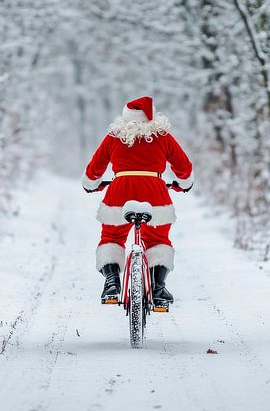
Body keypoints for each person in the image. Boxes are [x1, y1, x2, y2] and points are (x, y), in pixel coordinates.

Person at [82, 96, 193, 306]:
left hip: (119, 194)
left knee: (111, 237)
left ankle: (112, 282)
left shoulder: (114, 136)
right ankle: (158, 287)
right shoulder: (162, 136)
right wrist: (184, 183)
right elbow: (183, 167)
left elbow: (95, 167)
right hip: (155, 194)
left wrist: (90, 183)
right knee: (158, 240)